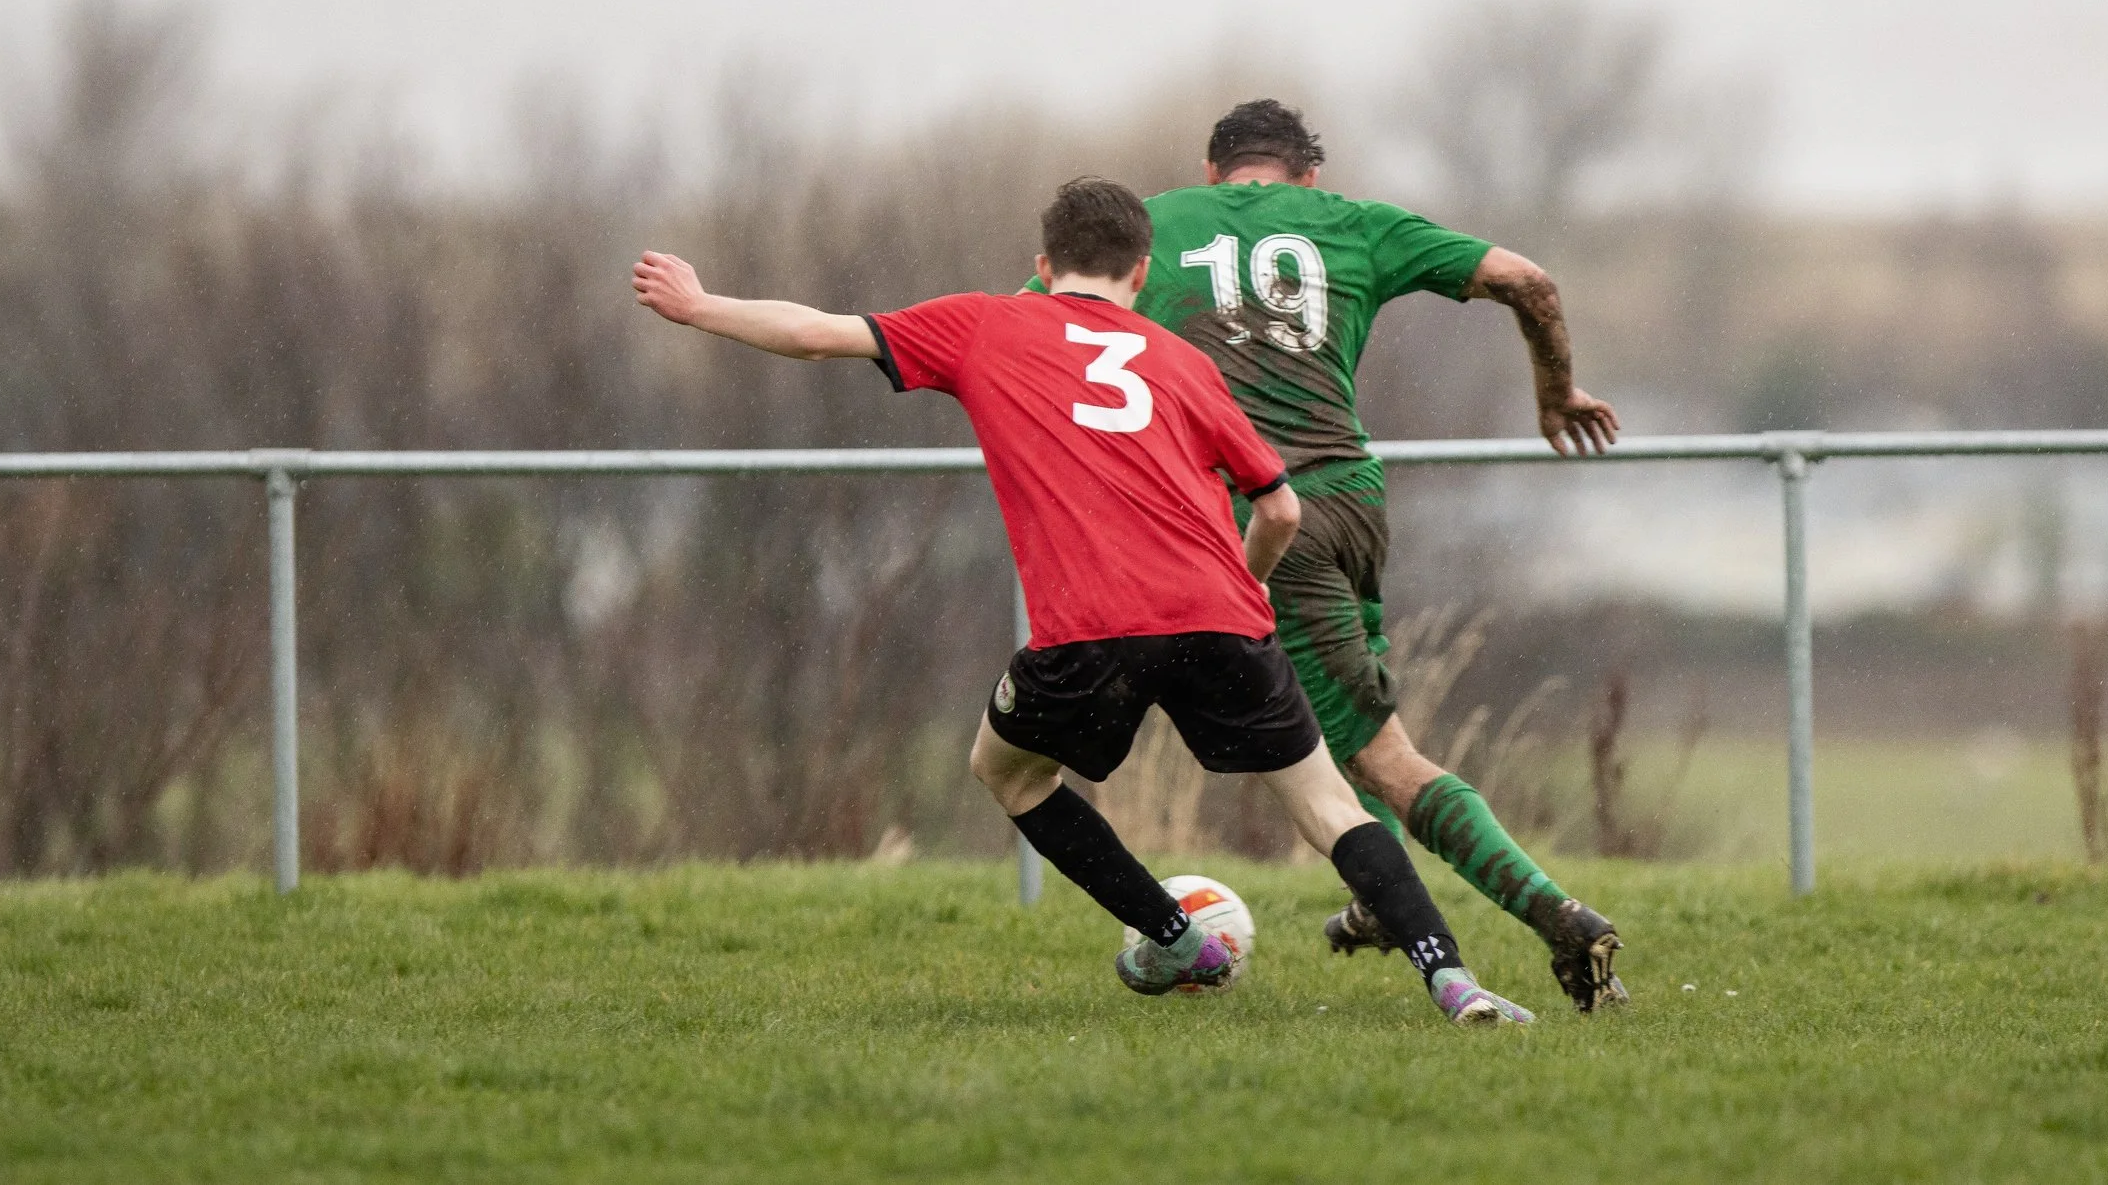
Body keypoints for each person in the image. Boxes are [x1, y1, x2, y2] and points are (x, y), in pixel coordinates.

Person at [633, 176, 1533, 1025]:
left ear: (1040, 264)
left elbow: (817, 333)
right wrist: (1245, 589)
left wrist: (700, 306)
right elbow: (1282, 506)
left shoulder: (986, 325)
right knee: (1330, 807)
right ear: (1144, 271)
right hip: (1222, 617)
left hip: (1091, 629)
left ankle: (1180, 942)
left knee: (1008, 772)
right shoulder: (1182, 362)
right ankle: (1452, 978)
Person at [1038, 99, 1629, 1012]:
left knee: (1382, 758)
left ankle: (1558, 917)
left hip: (1264, 515)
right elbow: (1531, 281)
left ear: (1215, 173)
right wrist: (1555, 395)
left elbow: (1047, 325)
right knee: (1352, 722)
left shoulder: (1160, 227)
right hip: (1355, 498)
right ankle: (1378, 907)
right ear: (1306, 174)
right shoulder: (1356, 224)